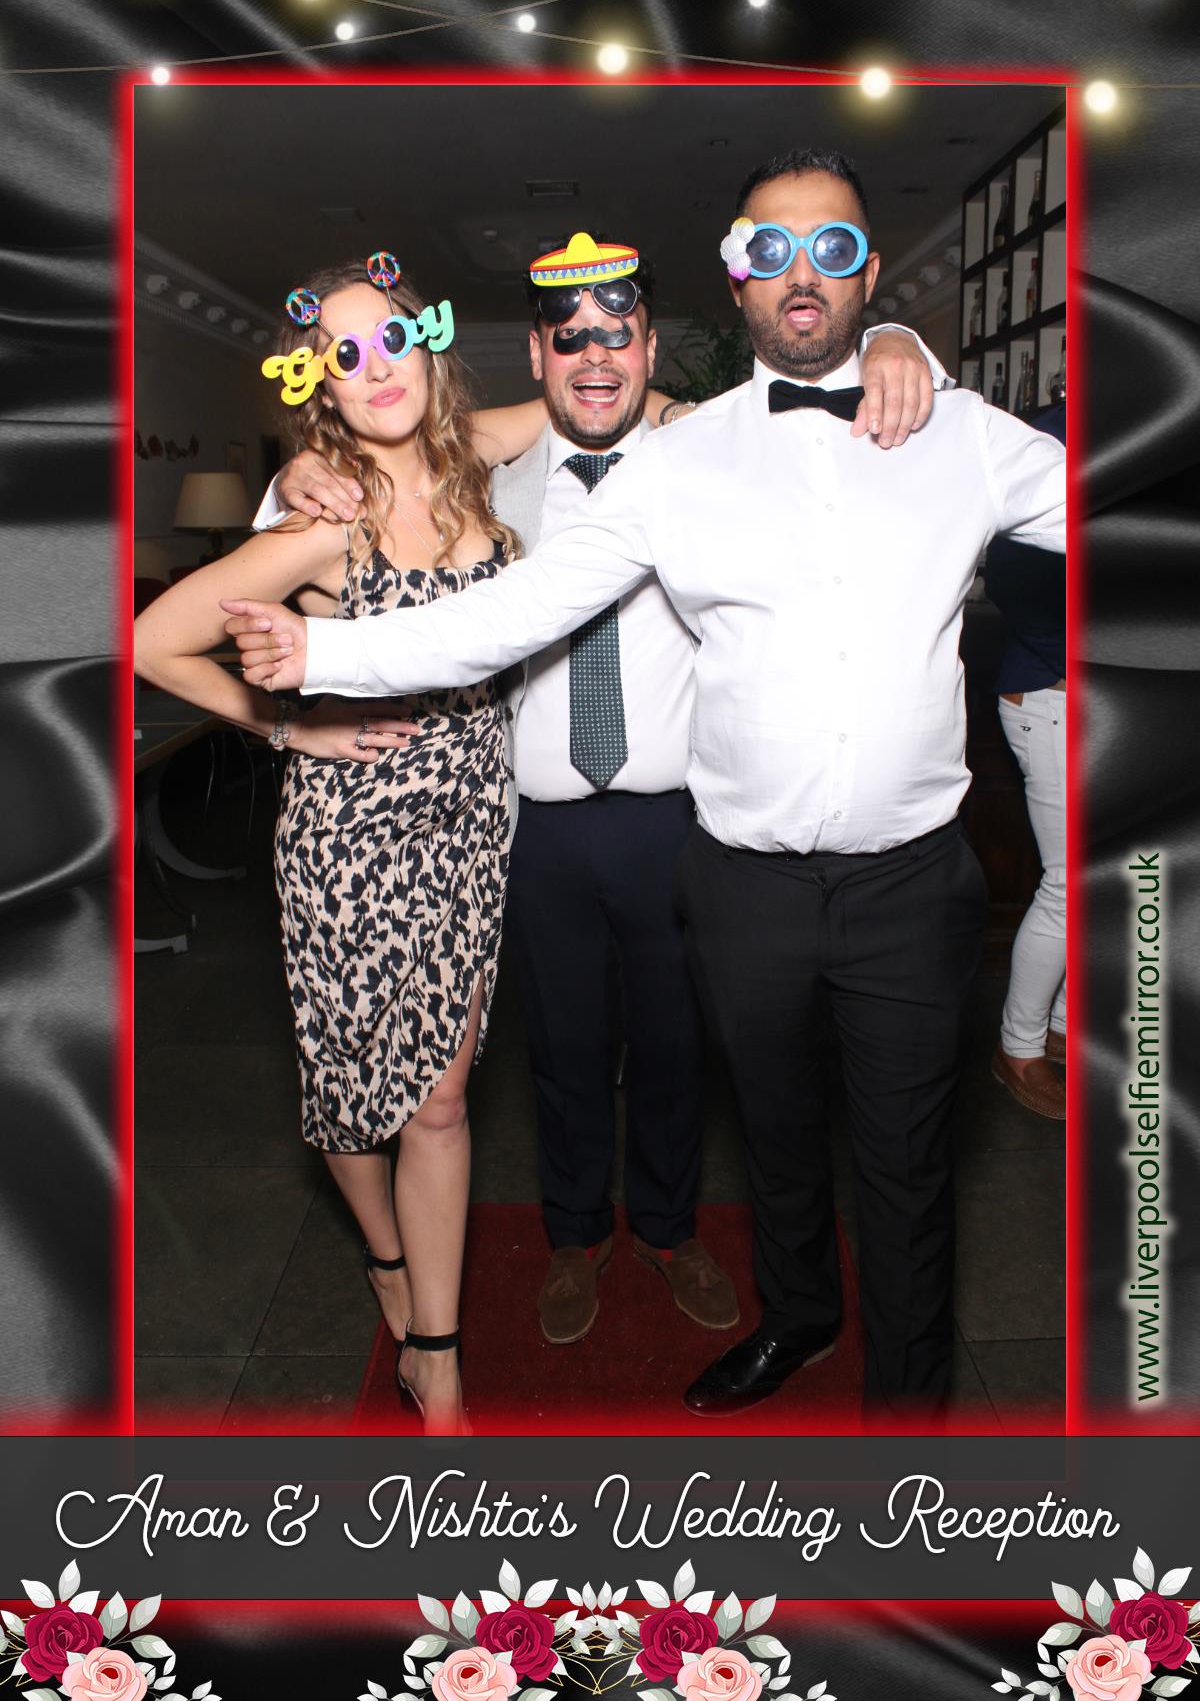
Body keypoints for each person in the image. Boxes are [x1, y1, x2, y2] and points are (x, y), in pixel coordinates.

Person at [224, 149, 1064, 1422]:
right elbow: (479, 598)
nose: (801, 274)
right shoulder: (580, 472)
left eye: (833, 251)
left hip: (815, 853)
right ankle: (697, 1281)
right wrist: (310, 598)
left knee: (831, 1132)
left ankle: (870, 1397)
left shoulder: (873, 437)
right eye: (770, 250)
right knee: (687, 1100)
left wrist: (915, 351)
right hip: (635, 848)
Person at [135, 253, 547, 1434]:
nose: (377, 368)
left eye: (394, 338)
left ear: (429, 342)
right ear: (320, 383)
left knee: (443, 1102)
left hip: (469, 828)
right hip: (348, 840)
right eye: (345, 355)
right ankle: (387, 1260)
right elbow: (157, 640)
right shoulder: (328, 520)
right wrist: (289, 726)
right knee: (353, 1092)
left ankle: (437, 1360)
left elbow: (596, 401)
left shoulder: (477, 465)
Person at [985, 398, 1067, 1122]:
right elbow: (1013, 579)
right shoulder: (1042, 437)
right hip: (1050, 691)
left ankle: (1061, 1028)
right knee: (1069, 884)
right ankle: (1018, 1049)